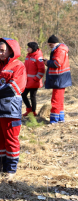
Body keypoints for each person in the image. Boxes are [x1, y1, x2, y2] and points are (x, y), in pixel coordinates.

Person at [0, 38, 27, 177]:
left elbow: (14, 87)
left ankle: (10, 170)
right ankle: (2, 168)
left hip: (10, 109)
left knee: (11, 139)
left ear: (11, 50)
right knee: (0, 140)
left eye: (2, 50)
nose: (0, 53)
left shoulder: (18, 65)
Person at [43, 35, 72, 124]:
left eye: (50, 45)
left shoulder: (59, 50)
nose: (49, 46)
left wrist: (47, 62)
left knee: (55, 100)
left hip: (59, 78)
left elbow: (57, 63)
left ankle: (54, 120)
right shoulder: (60, 49)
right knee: (59, 99)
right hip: (60, 78)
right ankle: (60, 118)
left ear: (54, 43)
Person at [22, 42, 45, 116]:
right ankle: (29, 109)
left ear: (33, 49)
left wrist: (35, 79)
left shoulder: (38, 57)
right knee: (23, 95)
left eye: (29, 47)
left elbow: (41, 70)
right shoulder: (28, 56)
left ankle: (33, 112)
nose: (27, 49)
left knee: (32, 97)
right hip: (27, 81)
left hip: (34, 81)